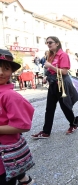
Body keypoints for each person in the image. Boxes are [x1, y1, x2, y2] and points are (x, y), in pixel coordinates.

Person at [31, 36, 78, 139]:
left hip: (62, 83)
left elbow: (64, 72)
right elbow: (50, 70)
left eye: (50, 42)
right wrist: (45, 76)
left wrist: (50, 66)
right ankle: (46, 132)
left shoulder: (63, 55)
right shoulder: (50, 55)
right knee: (49, 108)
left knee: (65, 107)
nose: (48, 44)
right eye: (47, 42)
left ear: (57, 43)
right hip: (53, 83)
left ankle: (73, 124)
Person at [0, 49, 36, 185]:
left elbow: (22, 126)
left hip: (5, 156)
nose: (1, 72)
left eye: (6, 68)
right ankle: (25, 179)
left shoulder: (10, 96)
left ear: (11, 72)